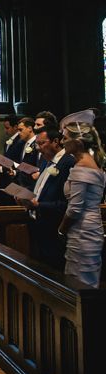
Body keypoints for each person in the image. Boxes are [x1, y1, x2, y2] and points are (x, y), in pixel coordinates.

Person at [58, 112, 106, 288]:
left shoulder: (81, 168)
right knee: (87, 282)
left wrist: (61, 230)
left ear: (77, 143)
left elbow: (75, 210)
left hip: (82, 232)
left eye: (65, 138)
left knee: (79, 285)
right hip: (92, 228)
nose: (62, 142)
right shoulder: (95, 164)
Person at [17, 127, 73, 271]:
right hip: (37, 223)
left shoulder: (67, 162)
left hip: (53, 225)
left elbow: (67, 203)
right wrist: (24, 193)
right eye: (37, 145)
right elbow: (39, 186)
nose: (39, 149)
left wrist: (39, 205)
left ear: (55, 142)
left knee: (54, 270)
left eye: (42, 144)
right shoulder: (45, 161)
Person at [0, 113, 25, 189]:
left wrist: (2, 169)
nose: (5, 130)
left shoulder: (21, 141)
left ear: (15, 127)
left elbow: (18, 162)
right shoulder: (8, 142)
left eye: (7, 128)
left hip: (13, 180)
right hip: (5, 180)